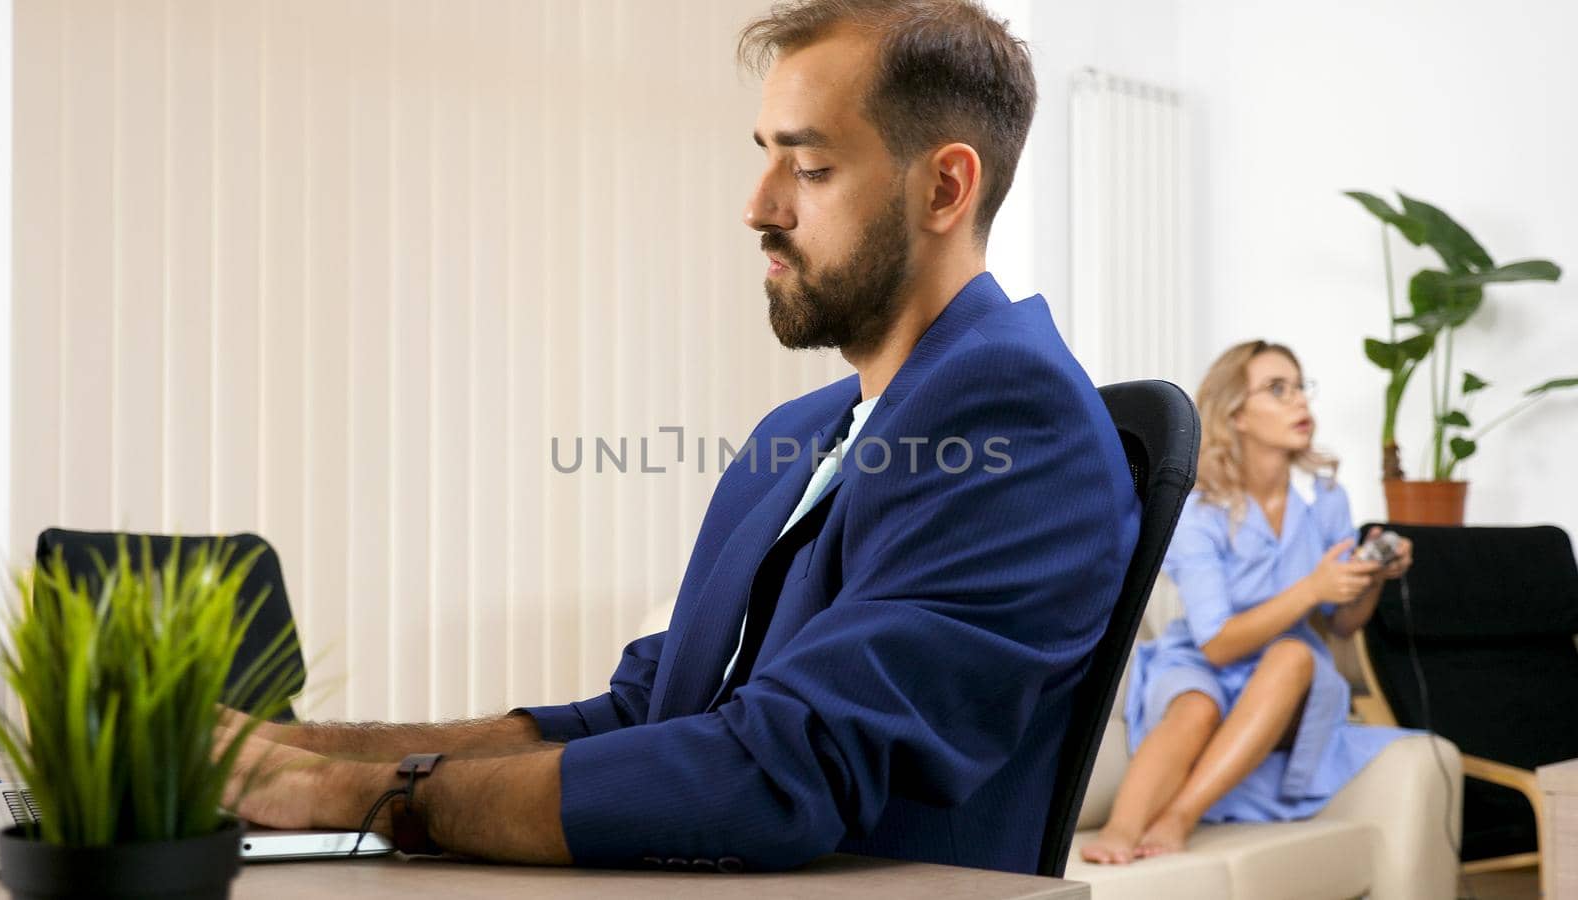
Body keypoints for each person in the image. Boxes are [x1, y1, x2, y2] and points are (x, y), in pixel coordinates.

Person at [220, 0, 1140, 875]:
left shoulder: (1017, 420)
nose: (759, 206)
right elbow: (649, 713)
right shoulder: (804, 433)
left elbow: (777, 776)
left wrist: (354, 796)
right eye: (764, 158)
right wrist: (290, 753)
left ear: (944, 185)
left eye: (809, 168)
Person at [1080, 340, 1417, 865]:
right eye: (1277, 390)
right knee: (1195, 704)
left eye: (1300, 386)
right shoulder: (1197, 513)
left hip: (1285, 678)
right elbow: (1215, 645)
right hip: (1203, 661)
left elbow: (1345, 624)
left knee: (1294, 654)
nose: (1299, 401)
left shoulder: (1326, 501)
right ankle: (1123, 828)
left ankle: (1179, 816)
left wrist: (1371, 578)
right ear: (1236, 413)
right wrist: (1313, 588)